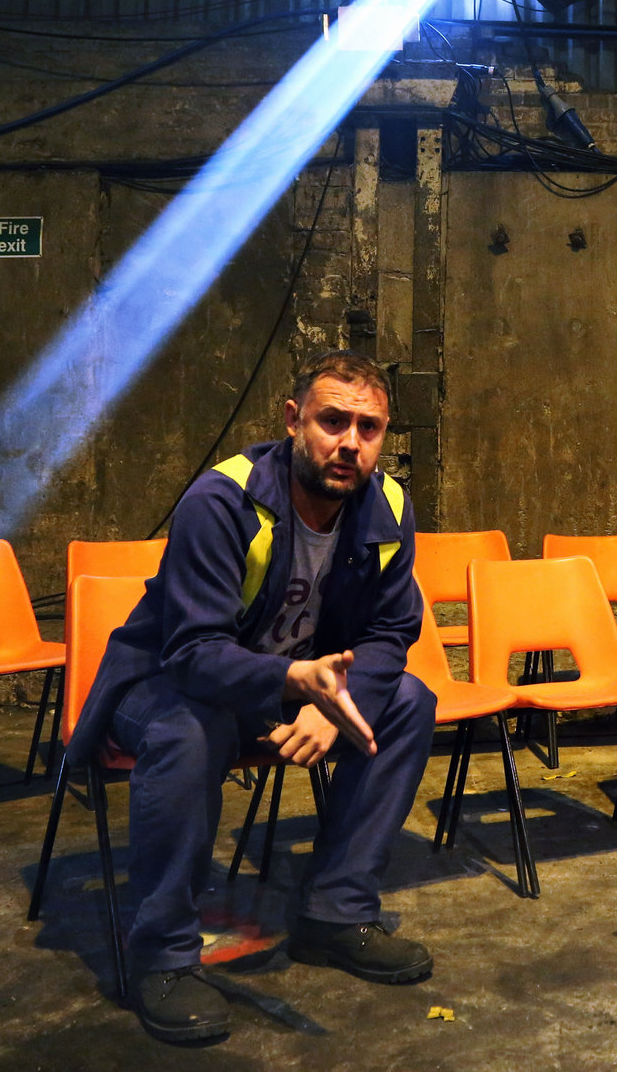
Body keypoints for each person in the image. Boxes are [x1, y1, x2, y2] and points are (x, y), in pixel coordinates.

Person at [67, 349, 437, 1045]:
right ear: (294, 421)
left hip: (281, 689)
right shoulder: (222, 500)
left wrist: (333, 701)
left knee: (410, 700)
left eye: (369, 427)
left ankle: (335, 910)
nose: (349, 442)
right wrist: (294, 684)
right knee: (188, 727)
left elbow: (393, 630)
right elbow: (193, 653)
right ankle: (164, 955)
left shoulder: (387, 505)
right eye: (333, 420)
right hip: (163, 686)